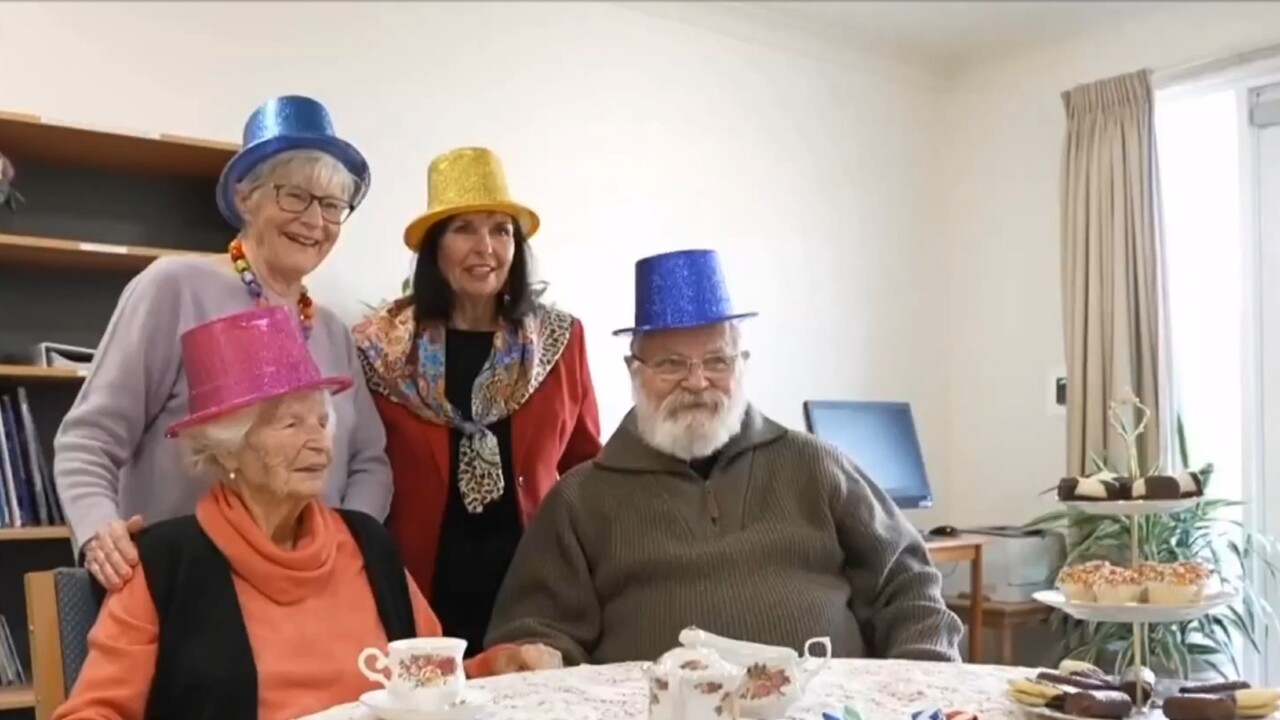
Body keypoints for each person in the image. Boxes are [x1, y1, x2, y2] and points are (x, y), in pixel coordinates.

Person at [54, 307, 561, 720]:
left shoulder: (368, 544)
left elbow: (427, 682)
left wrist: (497, 666)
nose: (318, 440)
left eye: (322, 420)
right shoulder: (164, 565)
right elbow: (92, 712)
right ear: (227, 450)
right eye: (289, 424)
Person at [484, 249, 965, 665]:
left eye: (717, 360)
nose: (697, 382)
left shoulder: (817, 466)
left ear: (742, 365)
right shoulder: (580, 499)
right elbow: (534, 634)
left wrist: (919, 684)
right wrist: (533, 656)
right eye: (671, 363)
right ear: (634, 370)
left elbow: (909, 587)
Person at [53, 95, 392, 591]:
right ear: (245, 197)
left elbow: (370, 462)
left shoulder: (334, 331)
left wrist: (343, 543)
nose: (315, 221)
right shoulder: (173, 287)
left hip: (309, 594)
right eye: (294, 195)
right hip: (183, 592)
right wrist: (97, 530)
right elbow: (88, 439)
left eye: (332, 205)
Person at [353, 147, 601, 656]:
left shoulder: (559, 340)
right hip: (415, 581)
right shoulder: (378, 349)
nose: (485, 247)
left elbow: (585, 466)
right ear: (435, 247)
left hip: (535, 582)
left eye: (501, 230)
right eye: (464, 229)